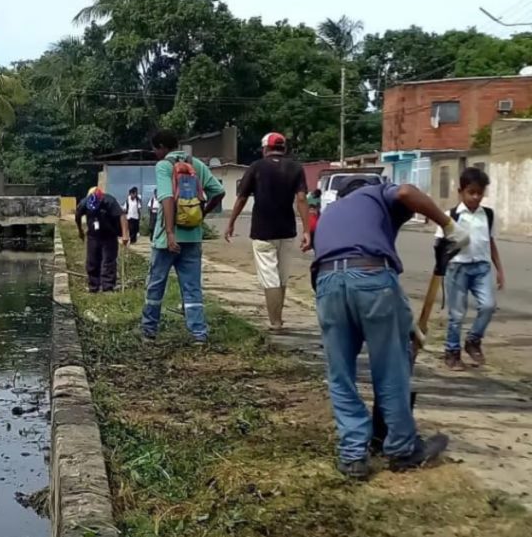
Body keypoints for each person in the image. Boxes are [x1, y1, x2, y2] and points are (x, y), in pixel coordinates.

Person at [311, 176, 470, 479]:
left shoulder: (331, 213)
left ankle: (353, 456)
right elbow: (408, 192)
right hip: (373, 278)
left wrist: (404, 324)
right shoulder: (377, 193)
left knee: (340, 374)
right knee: (390, 369)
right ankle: (401, 448)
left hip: (327, 282)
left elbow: (333, 276)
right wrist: (449, 226)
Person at [141, 129, 224, 344]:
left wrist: (169, 233)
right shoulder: (195, 164)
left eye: (154, 149)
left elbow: (167, 198)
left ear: (161, 147)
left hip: (165, 240)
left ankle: (149, 330)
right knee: (192, 287)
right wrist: (201, 215)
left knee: (156, 283)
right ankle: (199, 334)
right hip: (193, 237)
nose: (154, 153)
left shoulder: (163, 166)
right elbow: (218, 192)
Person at [224, 131, 310, 330]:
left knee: (270, 277)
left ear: (265, 149)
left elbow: (242, 197)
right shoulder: (296, 168)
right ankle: (278, 318)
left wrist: (231, 223)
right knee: (282, 275)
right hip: (287, 230)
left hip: (263, 231)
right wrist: (307, 231)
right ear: (284, 148)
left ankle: (276, 322)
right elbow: (302, 199)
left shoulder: (256, 167)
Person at [435, 167, 505, 369]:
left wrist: (499, 269)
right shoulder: (452, 216)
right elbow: (439, 244)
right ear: (461, 191)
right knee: (457, 314)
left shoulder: (488, 215)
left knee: (488, 306)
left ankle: (473, 340)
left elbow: (490, 242)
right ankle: (452, 352)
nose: (475, 197)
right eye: (471, 192)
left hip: (481, 268)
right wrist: (441, 268)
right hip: (457, 269)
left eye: (479, 193)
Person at [75, 185, 129, 293]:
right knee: (92, 261)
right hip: (93, 236)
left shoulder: (109, 201)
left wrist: (125, 235)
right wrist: (80, 231)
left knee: (108, 261)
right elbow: (78, 216)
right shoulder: (85, 203)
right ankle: (93, 286)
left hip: (109, 235)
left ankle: (107, 287)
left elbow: (122, 216)